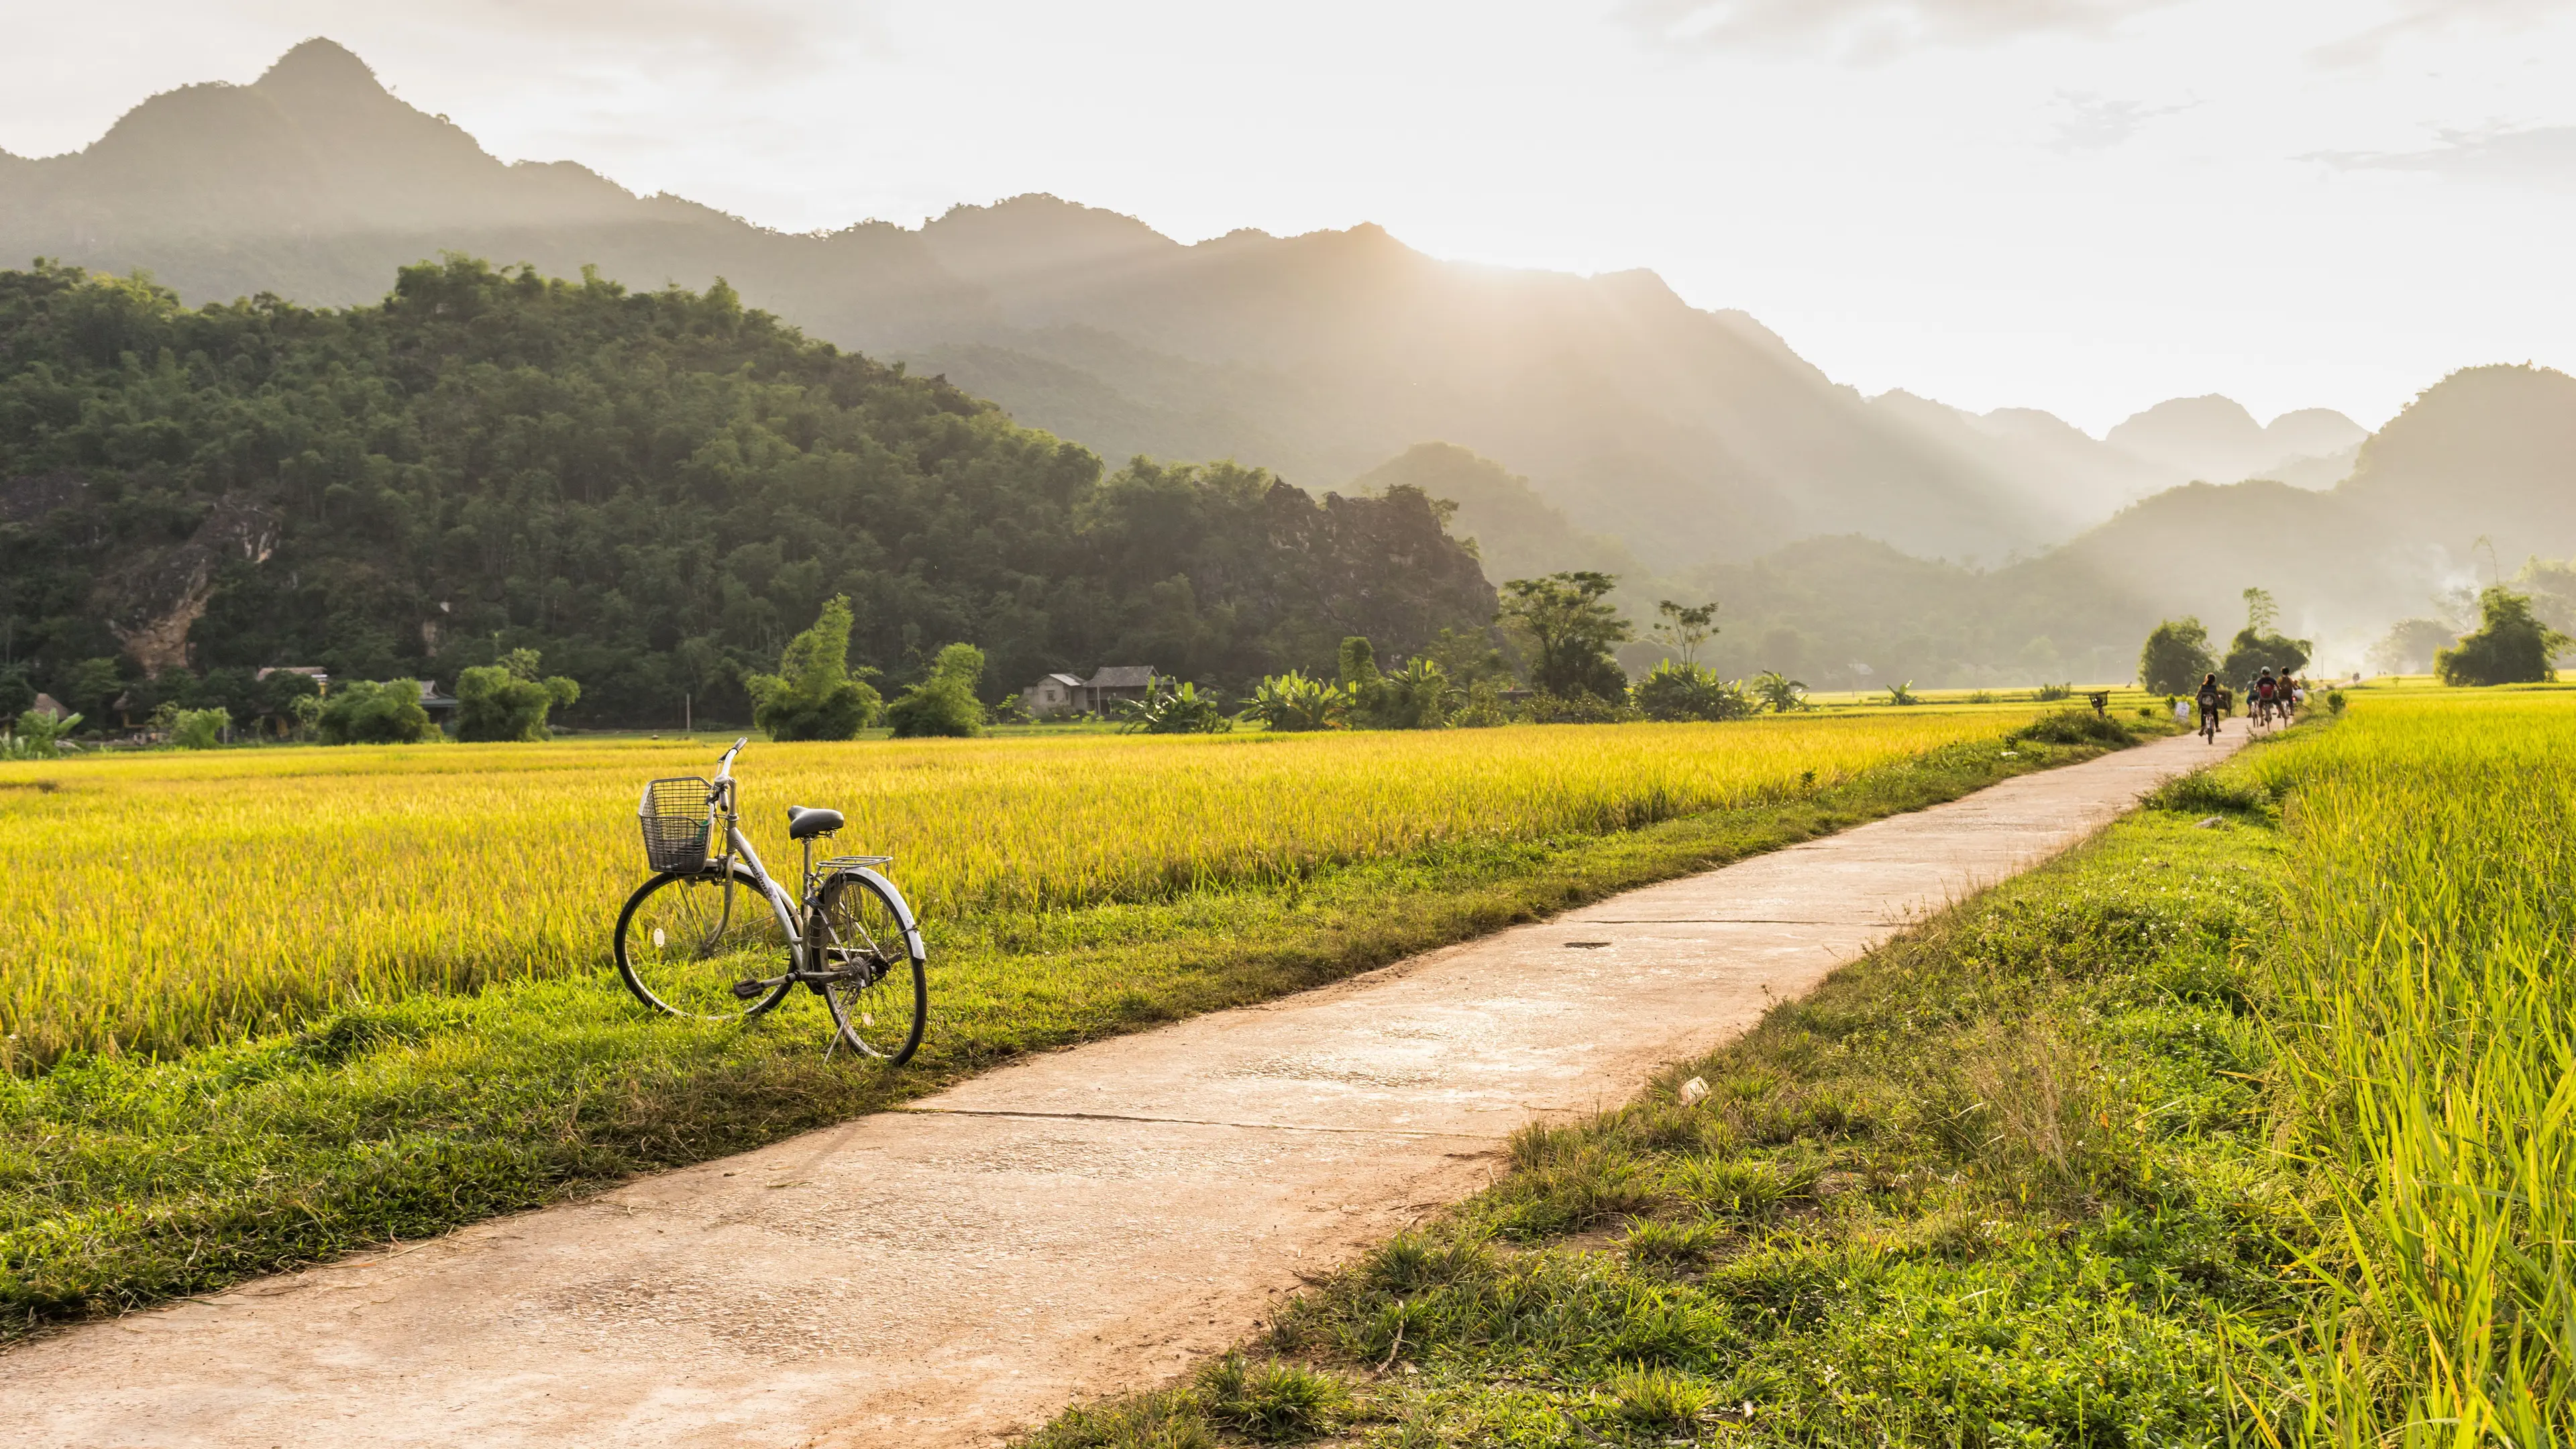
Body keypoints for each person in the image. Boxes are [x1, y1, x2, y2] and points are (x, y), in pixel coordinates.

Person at [2195, 672, 2223, 743]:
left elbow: (2199, 694)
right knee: (2215, 713)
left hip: (2204, 705)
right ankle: (2217, 727)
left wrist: (2196, 698)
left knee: (2202, 713)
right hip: (2212, 706)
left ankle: (2202, 727)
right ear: (2214, 681)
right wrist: (2219, 697)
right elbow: (2216, 696)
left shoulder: (2203, 687)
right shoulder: (2214, 688)